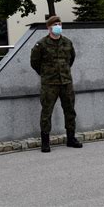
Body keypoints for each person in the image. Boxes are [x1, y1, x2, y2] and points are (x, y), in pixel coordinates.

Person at [30, 16, 82, 153]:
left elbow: (71, 59)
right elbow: (34, 63)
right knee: (46, 112)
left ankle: (71, 138)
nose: (58, 26)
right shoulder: (41, 44)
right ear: (49, 27)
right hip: (49, 84)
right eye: (55, 24)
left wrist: (64, 72)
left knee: (70, 111)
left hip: (66, 82)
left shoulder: (67, 42)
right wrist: (46, 74)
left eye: (60, 24)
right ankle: (45, 142)